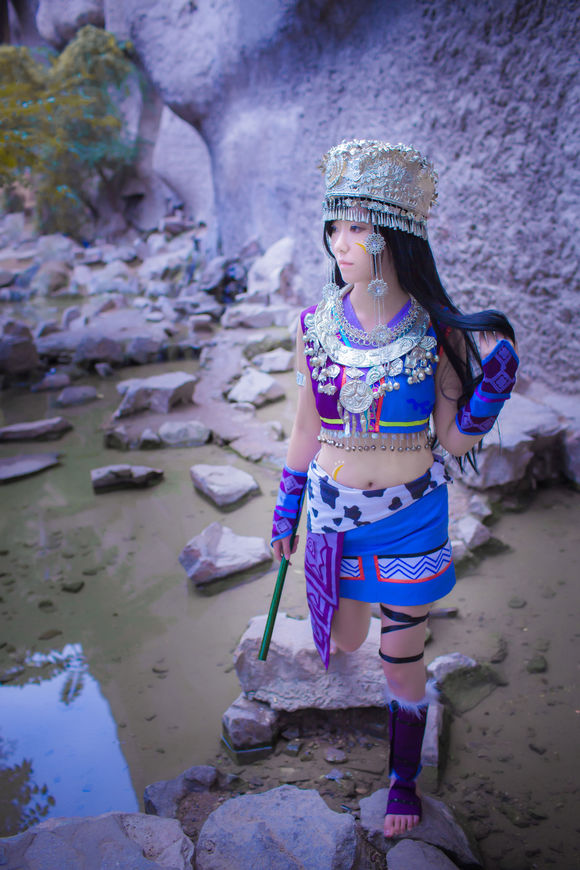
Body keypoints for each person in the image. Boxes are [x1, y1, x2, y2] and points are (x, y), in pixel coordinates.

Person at [271, 139, 518, 839]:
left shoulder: (437, 332)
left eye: (356, 226)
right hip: (334, 516)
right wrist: (287, 508)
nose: (339, 242)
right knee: (345, 639)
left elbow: (455, 440)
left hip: (411, 519)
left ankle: (403, 779)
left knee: (400, 661)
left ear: (393, 234)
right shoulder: (314, 327)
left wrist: (491, 394)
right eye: (335, 226)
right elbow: (305, 429)